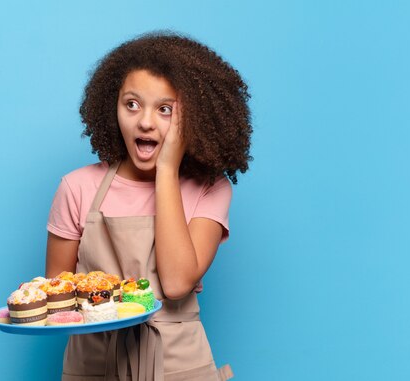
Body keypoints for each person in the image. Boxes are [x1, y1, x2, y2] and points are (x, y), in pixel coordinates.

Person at [45, 31, 252, 380]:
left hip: (178, 365)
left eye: (165, 110)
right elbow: (57, 296)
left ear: (194, 119)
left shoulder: (210, 189)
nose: (145, 121)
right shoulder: (77, 187)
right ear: (113, 107)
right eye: (132, 104)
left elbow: (175, 285)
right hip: (93, 365)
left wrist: (167, 170)